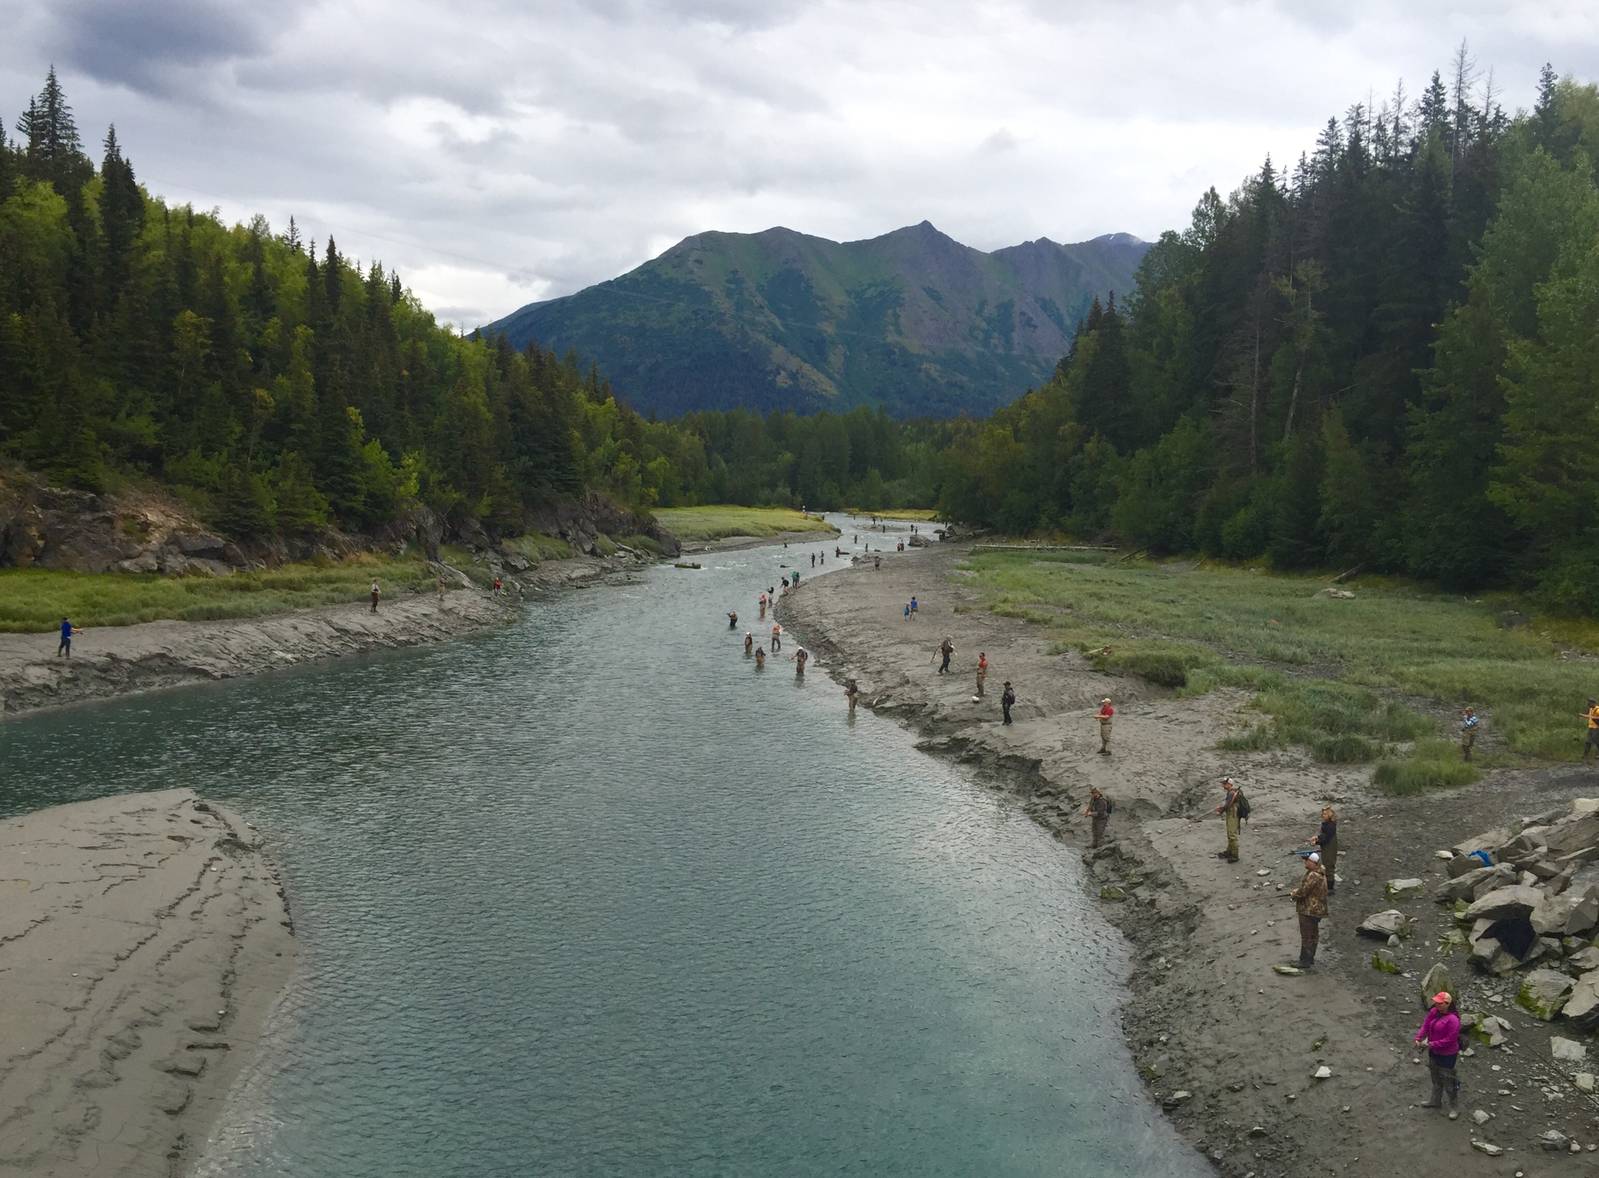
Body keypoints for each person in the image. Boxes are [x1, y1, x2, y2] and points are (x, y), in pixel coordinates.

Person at [1414, 991, 1462, 1117]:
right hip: (1434, 1051)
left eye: (1440, 1003)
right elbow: (1425, 1025)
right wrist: (1419, 1038)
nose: (1436, 1004)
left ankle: (1454, 1107)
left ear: (1447, 1004)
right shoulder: (1434, 1012)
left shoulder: (1453, 1020)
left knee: (1449, 1080)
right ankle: (1435, 1101)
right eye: (1436, 1002)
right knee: (1435, 1076)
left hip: (1447, 1055)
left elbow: (1450, 1040)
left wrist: (1431, 1044)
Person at [1289, 853, 1329, 968]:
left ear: (1313, 862)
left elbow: (1303, 892)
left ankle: (1304, 961)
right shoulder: (1321, 872)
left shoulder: (1313, 875)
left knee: (1307, 935)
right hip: (1318, 910)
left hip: (1309, 910)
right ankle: (1310, 958)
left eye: (1306, 860)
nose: (1305, 862)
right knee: (1314, 934)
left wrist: (1293, 894)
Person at [1310, 806, 1338, 895]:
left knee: (1329, 866)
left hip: (1329, 849)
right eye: (1323, 813)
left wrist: (1317, 841)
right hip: (1326, 848)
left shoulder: (1330, 826)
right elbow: (1324, 836)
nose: (1323, 815)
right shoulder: (1327, 824)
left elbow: (1326, 839)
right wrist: (1317, 838)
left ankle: (1330, 888)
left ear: (1330, 815)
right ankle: (1327, 886)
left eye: (1325, 814)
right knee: (1326, 865)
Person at [1213, 777, 1243, 862]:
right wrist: (1221, 808)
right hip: (1231, 814)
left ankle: (1234, 855)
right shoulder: (1231, 792)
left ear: (1229, 784)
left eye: (1224, 784)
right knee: (1230, 834)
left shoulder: (1232, 793)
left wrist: (1220, 810)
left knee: (1232, 835)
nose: (1223, 785)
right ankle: (1229, 851)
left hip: (1233, 814)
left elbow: (1228, 805)